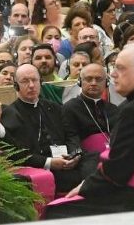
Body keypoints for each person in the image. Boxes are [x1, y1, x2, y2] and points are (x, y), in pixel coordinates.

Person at [45, 43, 134, 218]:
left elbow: (116, 172)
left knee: (54, 211)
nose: (113, 74)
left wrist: (84, 187)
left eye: (120, 68)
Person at [5, 64, 84, 192]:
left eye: (34, 80)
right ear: (16, 86)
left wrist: (75, 154)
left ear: (40, 82)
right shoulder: (10, 114)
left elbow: (71, 134)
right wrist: (49, 162)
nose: (31, 85)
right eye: (25, 81)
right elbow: (19, 153)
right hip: (39, 169)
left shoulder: (55, 107)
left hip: (66, 163)